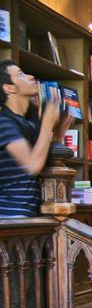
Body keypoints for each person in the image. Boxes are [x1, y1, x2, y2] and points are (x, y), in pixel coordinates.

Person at [0, 60, 72, 217]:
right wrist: (47, 125)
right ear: (9, 88)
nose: (31, 76)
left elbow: (43, 159)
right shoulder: (4, 123)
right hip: (10, 215)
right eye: (20, 74)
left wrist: (58, 132)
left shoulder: (28, 123)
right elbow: (32, 166)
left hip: (30, 213)